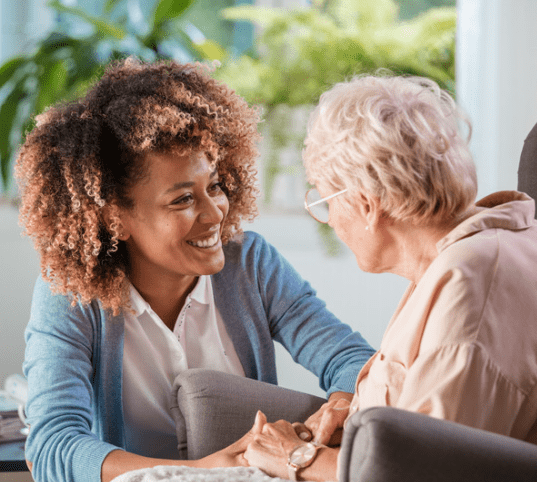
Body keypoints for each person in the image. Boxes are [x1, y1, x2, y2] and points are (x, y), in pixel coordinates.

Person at [15, 58, 375, 482]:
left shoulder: (251, 263)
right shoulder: (70, 293)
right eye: (182, 200)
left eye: (215, 186)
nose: (214, 214)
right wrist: (197, 473)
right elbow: (52, 446)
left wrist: (337, 408)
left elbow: (351, 358)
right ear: (115, 218)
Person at [242, 73, 537, 481]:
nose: (329, 220)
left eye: (324, 199)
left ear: (366, 204)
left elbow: (424, 469)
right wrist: (352, 411)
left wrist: (297, 458)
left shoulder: (473, 284)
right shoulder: (482, 249)